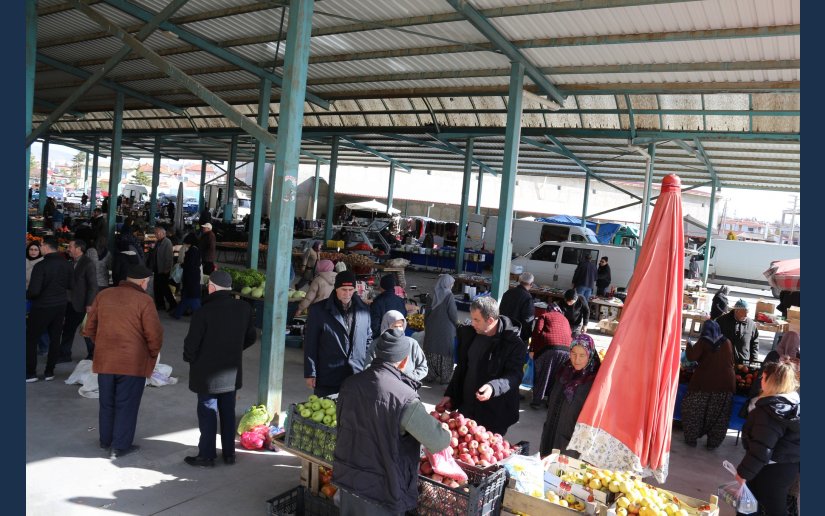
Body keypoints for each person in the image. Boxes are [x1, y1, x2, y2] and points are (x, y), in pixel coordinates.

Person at [333, 325, 451, 515]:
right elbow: (438, 441)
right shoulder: (405, 397)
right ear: (404, 361)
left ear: (377, 355)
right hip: (383, 490)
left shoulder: (349, 385)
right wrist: (445, 429)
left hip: (349, 478)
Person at [82, 263, 164, 458]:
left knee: (107, 402)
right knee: (126, 404)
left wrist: (102, 344)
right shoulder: (144, 301)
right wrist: (151, 354)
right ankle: (119, 447)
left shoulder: (104, 295)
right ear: (144, 282)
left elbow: (89, 328)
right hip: (132, 362)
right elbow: (154, 335)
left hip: (105, 360)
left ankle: (105, 441)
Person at [183, 271, 257, 467]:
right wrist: (233, 349)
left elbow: (192, 343)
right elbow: (250, 337)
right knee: (228, 412)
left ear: (211, 287)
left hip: (206, 374)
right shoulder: (244, 308)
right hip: (231, 373)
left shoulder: (203, 311)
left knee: (207, 413)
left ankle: (207, 455)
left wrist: (190, 358)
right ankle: (229, 454)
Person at [438, 296, 526, 436]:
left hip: (494, 415)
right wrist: (451, 395)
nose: (472, 323)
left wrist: (493, 387)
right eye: (472, 318)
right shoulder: (470, 334)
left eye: (476, 320)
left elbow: (514, 376)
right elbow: (462, 369)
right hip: (466, 410)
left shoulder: (513, 344)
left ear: (490, 320)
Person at [735, 359, 800, 516]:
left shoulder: (769, 411)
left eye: (763, 378)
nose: (760, 381)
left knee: (758, 507)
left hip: (770, 470)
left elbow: (761, 448)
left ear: (771, 382)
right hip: (787, 468)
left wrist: (743, 473)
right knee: (754, 505)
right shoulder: (793, 404)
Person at [304, 271, 372, 396]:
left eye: (351, 289)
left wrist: (366, 366)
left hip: (355, 375)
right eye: (343, 289)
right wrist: (310, 373)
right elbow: (310, 344)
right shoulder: (318, 311)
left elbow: (368, 340)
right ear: (336, 289)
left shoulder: (364, 310)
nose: (347, 293)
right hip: (328, 375)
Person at [538, 334, 602, 457]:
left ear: (590, 355)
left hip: (572, 441)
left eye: (582, 355)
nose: (576, 359)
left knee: (563, 472)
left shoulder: (593, 381)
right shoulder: (564, 371)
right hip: (551, 431)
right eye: (573, 354)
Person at [681, 320, 736, 449]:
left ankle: (691, 439)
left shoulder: (704, 341)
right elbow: (731, 360)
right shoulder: (727, 341)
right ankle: (713, 443)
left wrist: (689, 345)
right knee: (719, 415)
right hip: (726, 384)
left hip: (704, 383)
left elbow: (691, 357)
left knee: (694, 411)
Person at [26, 238, 73, 382]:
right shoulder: (67, 264)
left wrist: (27, 295)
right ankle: (49, 372)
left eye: (40, 246)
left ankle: (31, 373)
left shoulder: (41, 265)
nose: (40, 248)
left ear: (46, 247)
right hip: (60, 305)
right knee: (55, 339)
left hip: (42, 306)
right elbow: (70, 285)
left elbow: (34, 291)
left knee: (31, 339)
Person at [58, 239, 99, 363]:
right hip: (70, 303)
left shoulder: (88, 263)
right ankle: (65, 355)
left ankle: (93, 355)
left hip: (83, 304)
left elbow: (93, 286)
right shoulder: (71, 262)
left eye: (70, 246)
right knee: (68, 330)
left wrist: (90, 304)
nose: (68, 249)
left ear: (78, 249)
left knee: (87, 331)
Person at [529, 304, 572, 409]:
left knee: (544, 373)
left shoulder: (545, 316)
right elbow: (570, 333)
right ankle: (550, 401)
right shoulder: (565, 319)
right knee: (557, 376)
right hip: (567, 350)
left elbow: (537, 332)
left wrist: (532, 349)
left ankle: (537, 402)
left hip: (549, 348)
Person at [365, 310, 428, 383]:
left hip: (407, 388)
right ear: (386, 326)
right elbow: (368, 368)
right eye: (395, 326)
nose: (398, 329)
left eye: (400, 326)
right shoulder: (376, 344)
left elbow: (423, 368)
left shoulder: (412, 344)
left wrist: (406, 378)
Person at [422, 274, 458, 384]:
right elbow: (453, 315)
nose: (451, 286)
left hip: (432, 328)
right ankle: (445, 377)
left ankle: (430, 375)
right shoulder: (449, 296)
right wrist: (456, 324)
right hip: (445, 330)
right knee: (444, 352)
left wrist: (427, 325)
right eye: (451, 284)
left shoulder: (431, 295)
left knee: (431, 349)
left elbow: (426, 313)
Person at [717, 299, 760, 364]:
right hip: (724, 362)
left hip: (743, 364)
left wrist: (754, 361)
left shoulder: (751, 324)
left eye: (747, 312)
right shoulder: (722, 321)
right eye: (744, 312)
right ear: (736, 311)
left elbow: (755, 344)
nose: (746, 315)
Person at [499, 272, 535, 345]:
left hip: (503, 331)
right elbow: (527, 320)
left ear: (519, 281)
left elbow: (501, 311)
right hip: (517, 336)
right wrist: (526, 338)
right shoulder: (528, 298)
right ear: (531, 284)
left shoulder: (508, 293)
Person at [172, 234, 203, 320]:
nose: (185, 245)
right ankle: (177, 313)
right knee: (187, 296)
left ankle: (200, 316)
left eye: (186, 243)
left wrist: (183, 265)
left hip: (190, 276)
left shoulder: (192, 251)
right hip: (194, 275)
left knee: (191, 297)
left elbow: (189, 264)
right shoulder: (197, 249)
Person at [149, 226, 177, 313]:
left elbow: (169, 257)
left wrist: (167, 268)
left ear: (162, 233)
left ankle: (173, 304)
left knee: (165, 288)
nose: (155, 234)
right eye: (155, 233)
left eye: (156, 233)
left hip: (163, 269)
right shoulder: (158, 241)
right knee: (157, 287)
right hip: (157, 268)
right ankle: (160, 305)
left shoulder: (167, 242)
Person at [369, 274, 407, 338]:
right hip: (398, 336)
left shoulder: (377, 302)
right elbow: (404, 319)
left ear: (381, 287)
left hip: (382, 339)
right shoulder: (401, 300)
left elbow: (374, 327)